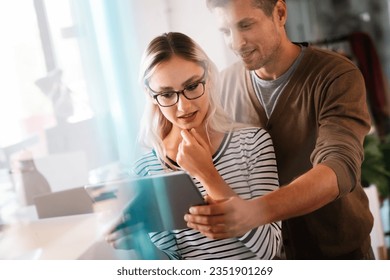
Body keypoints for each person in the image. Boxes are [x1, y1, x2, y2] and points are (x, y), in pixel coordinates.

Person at [184, 0, 374, 259]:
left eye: (246, 25)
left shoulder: (337, 75)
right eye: (226, 31)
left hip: (337, 255)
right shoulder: (223, 85)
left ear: (280, 13)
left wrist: (256, 212)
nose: (236, 43)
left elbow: (338, 166)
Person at [106, 32, 282, 260]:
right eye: (167, 94)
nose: (183, 106)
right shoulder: (145, 170)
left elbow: (270, 249)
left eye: (191, 86)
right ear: (151, 96)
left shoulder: (252, 144)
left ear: (208, 79)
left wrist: (208, 174)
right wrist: (138, 244)